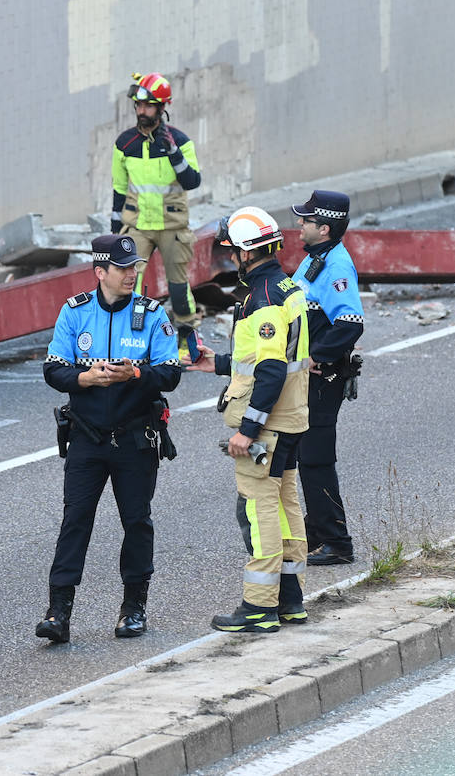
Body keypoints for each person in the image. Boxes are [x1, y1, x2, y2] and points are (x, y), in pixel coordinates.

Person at [36, 234, 181, 643]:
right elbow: (53, 369)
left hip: (135, 439)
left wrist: (134, 373)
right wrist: (84, 378)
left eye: (135, 266)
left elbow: (170, 372)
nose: (132, 274)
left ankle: (134, 608)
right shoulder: (75, 312)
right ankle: (58, 612)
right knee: (74, 521)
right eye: (123, 268)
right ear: (100, 272)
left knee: (136, 522)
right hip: (86, 439)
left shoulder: (152, 314)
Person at [184, 207, 310, 633]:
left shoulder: (263, 299)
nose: (229, 258)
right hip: (291, 420)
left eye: (231, 251)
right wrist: (216, 364)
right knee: (287, 508)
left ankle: (258, 607)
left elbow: (272, 371)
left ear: (243, 252)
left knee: (258, 511)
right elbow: (261, 360)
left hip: (268, 428)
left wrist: (248, 430)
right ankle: (290, 601)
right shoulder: (287, 286)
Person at [290, 191, 365, 566]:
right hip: (308, 377)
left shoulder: (336, 266)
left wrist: (315, 358)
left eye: (305, 221)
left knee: (317, 459)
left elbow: (350, 323)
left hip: (322, 379)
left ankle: (337, 541)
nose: (299, 225)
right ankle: (317, 531)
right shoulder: (315, 259)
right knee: (307, 456)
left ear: (324, 228)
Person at [111, 72, 203, 357]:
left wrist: (174, 153)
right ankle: (131, 338)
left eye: (148, 106)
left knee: (178, 287)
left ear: (162, 107)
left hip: (172, 225)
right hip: (137, 224)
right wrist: (115, 229)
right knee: (128, 283)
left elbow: (192, 181)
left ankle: (187, 337)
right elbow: (119, 187)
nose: (142, 111)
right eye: (138, 106)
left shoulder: (180, 141)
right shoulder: (125, 143)